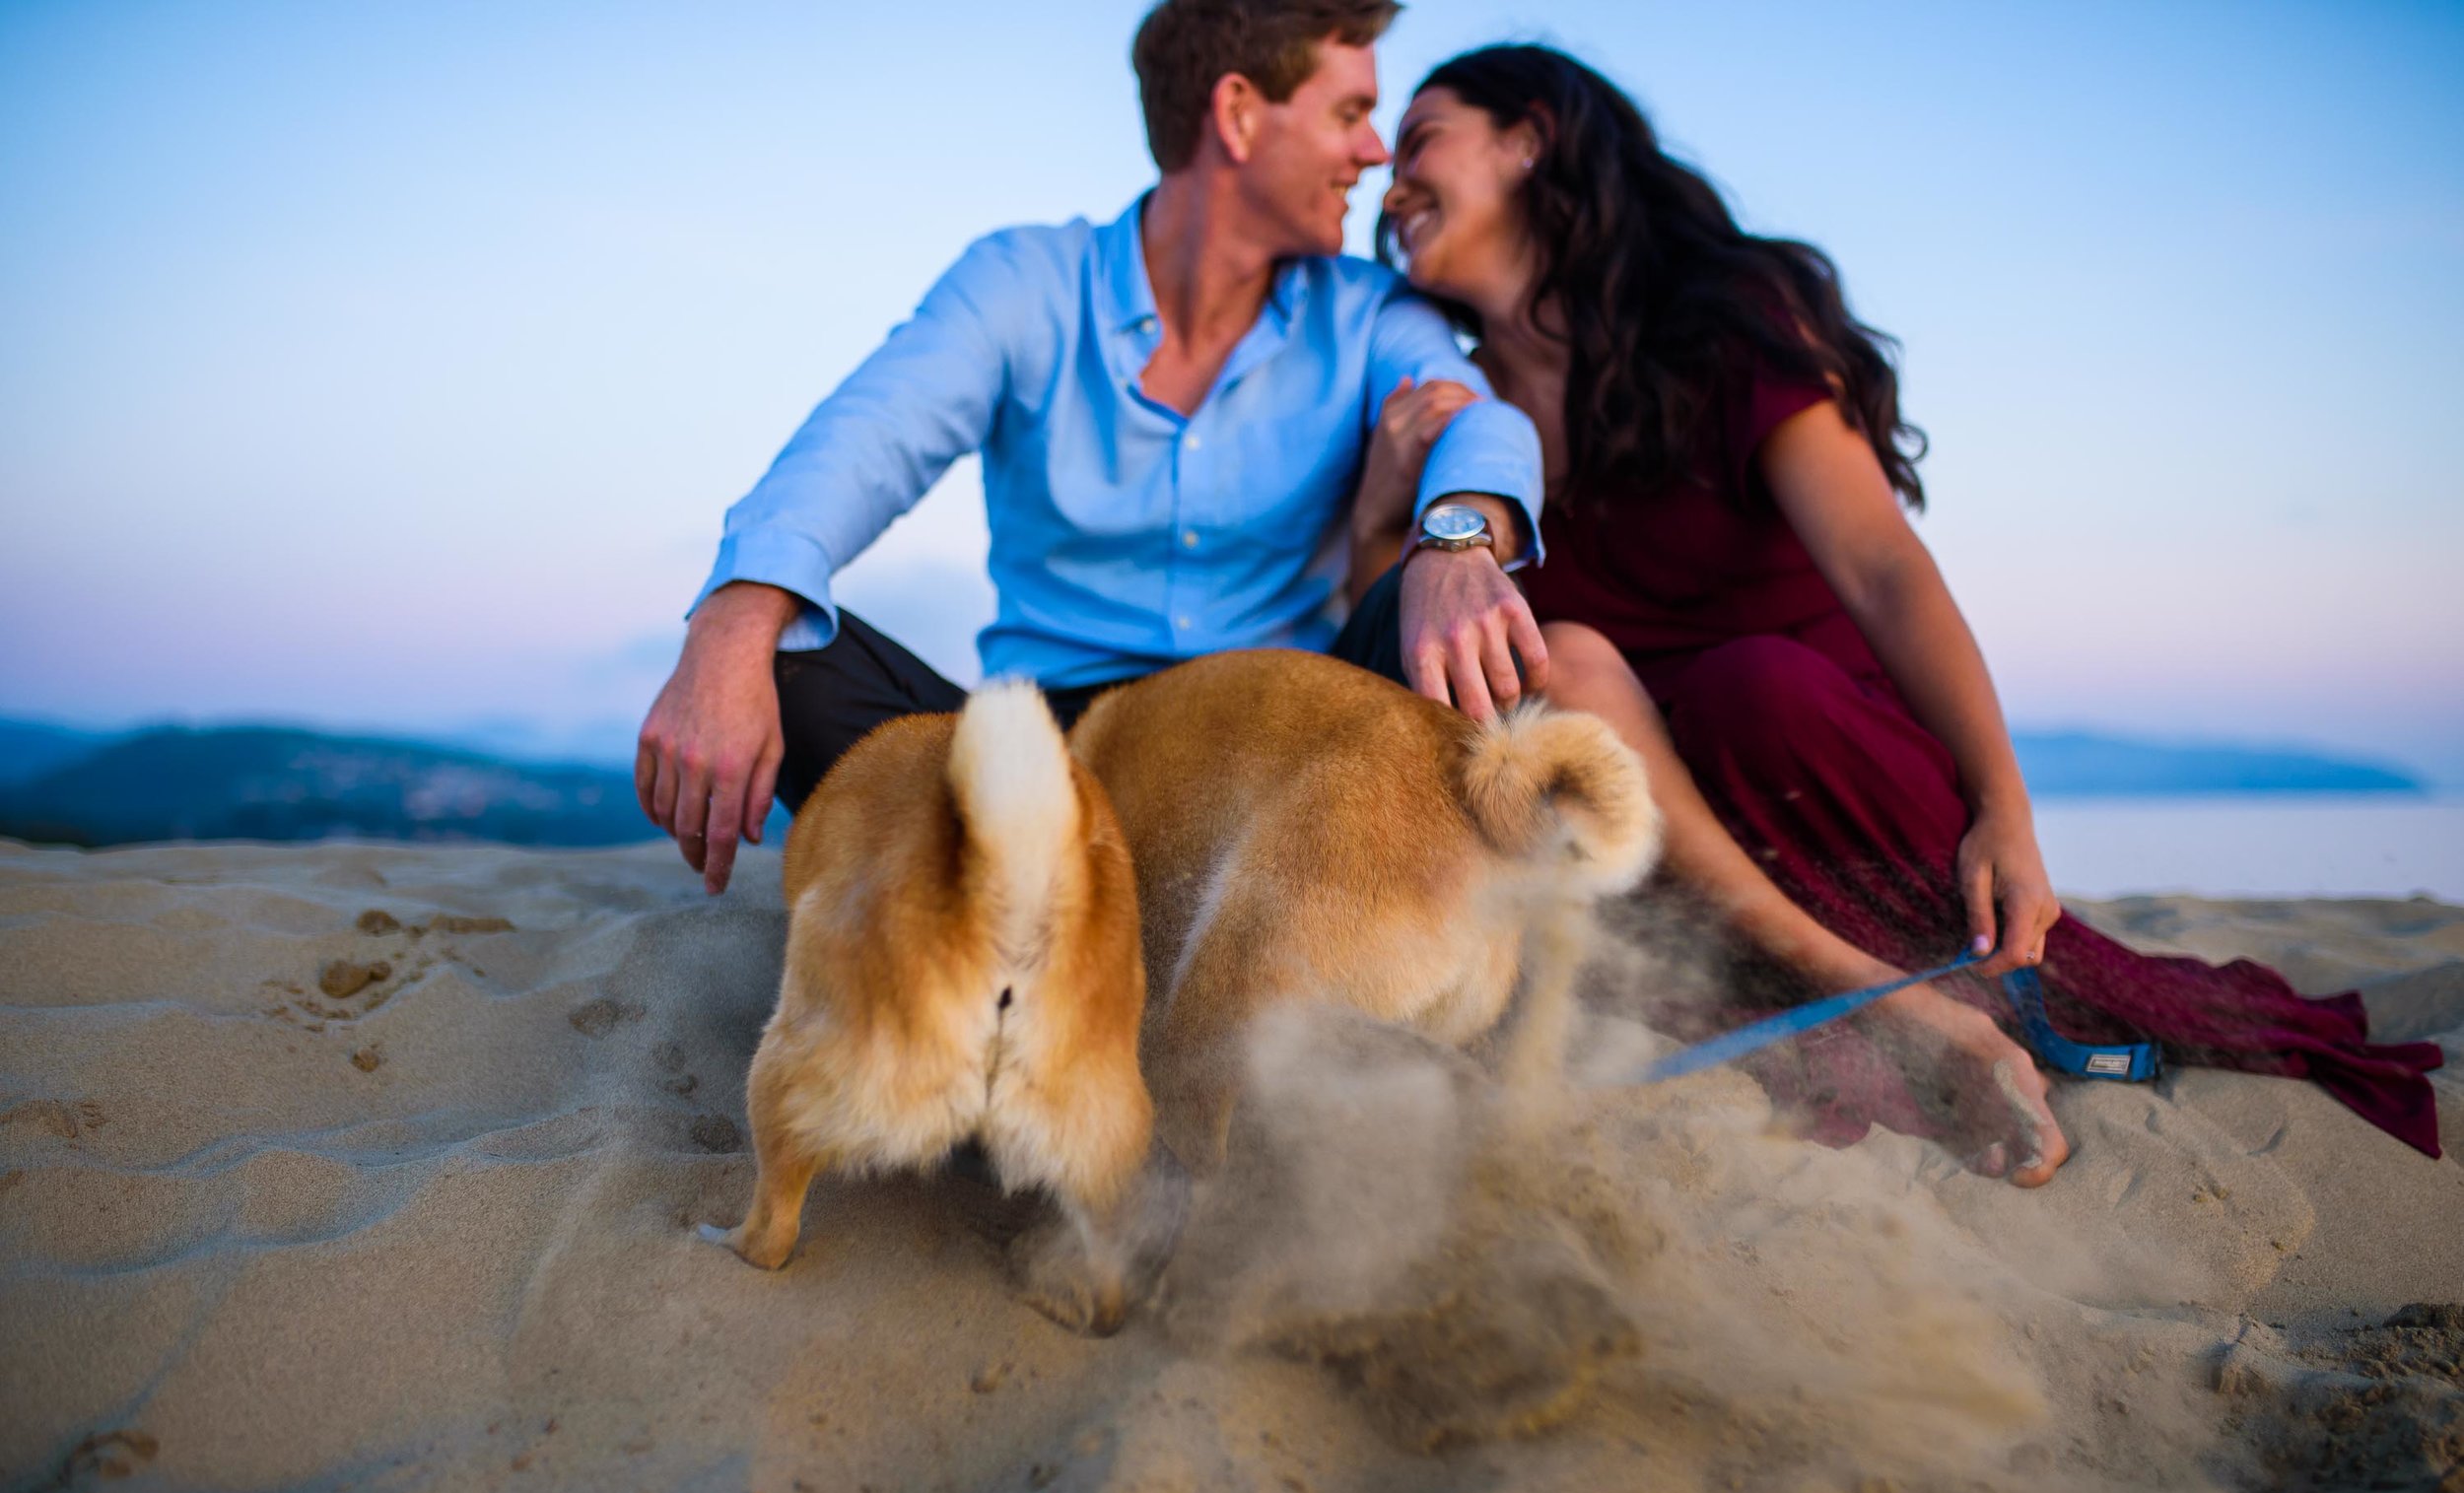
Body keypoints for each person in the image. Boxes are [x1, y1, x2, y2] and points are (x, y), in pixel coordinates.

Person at [1358, 43, 2442, 1181]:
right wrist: (1385, 511)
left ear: (1530, 139)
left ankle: (1907, 993)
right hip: (1666, 845)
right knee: (1557, 749)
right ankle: (1875, 1003)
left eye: (1423, 136)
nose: (1390, 180)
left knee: (1743, 689)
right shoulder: (1456, 422)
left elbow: (1882, 567)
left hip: (1807, 758)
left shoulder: (1716, 321)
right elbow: (1401, 666)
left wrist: (2004, 807)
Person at [636, 0, 1555, 902]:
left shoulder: (1370, 311)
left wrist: (1453, 540)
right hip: (1037, 769)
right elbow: (866, 440)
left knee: (1438, 616)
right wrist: (735, 613)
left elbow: (1483, 423)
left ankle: (1231, 921)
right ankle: (1050, 908)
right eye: (1350, 114)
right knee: (786, 649)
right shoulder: (1023, 282)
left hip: (1287, 759)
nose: (1372, 152)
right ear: (1237, 113)